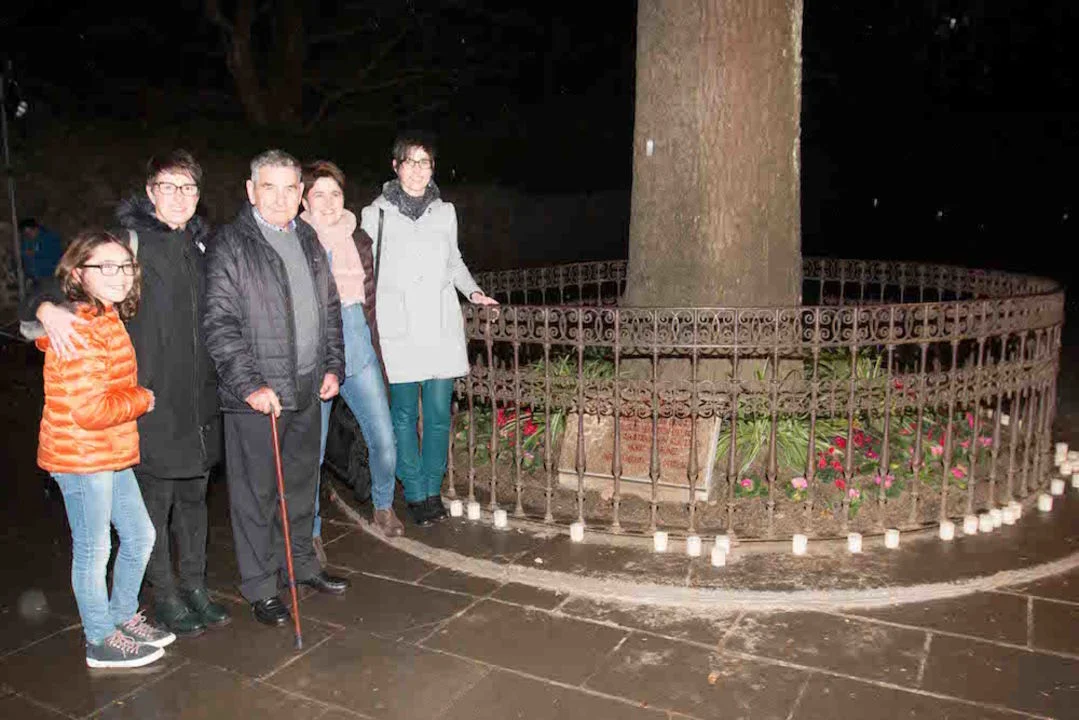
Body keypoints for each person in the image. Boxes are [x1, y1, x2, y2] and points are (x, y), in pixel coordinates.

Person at [22, 151, 229, 638]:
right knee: (152, 510)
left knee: (195, 503)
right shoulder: (127, 241)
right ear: (150, 191)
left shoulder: (203, 246)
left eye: (188, 188)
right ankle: (165, 594)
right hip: (147, 404)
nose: (179, 196)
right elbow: (61, 279)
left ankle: (195, 585)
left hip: (199, 401)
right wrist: (46, 308)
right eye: (168, 186)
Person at [203, 149, 350, 628]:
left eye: (291, 188)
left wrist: (333, 366)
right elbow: (219, 323)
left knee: (302, 485)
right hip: (259, 397)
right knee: (256, 495)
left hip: (307, 387)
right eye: (270, 187)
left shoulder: (307, 237)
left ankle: (300, 565)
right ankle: (261, 585)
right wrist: (249, 384)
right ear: (251, 190)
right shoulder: (231, 243)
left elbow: (329, 309)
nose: (281, 198)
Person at [37, 230, 175, 668]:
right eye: (107, 267)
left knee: (140, 535)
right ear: (79, 273)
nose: (120, 275)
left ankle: (121, 617)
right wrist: (142, 399)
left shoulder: (106, 315)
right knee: (94, 549)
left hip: (108, 451)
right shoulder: (79, 326)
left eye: (126, 266)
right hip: (81, 456)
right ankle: (98, 639)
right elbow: (89, 410)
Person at [359, 133, 498, 526]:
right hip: (399, 328)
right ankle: (415, 491)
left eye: (425, 162)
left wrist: (473, 291)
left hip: (440, 326)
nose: (418, 170)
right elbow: (365, 269)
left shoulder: (445, 212)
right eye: (410, 161)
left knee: (438, 415)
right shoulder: (375, 214)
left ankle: (432, 489)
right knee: (403, 414)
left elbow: (453, 260)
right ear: (396, 166)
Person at [300, 160, 404, 546]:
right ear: (304, 201)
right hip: (316, 359)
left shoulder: (358, 240)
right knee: (312, 451)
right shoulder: (297, 243)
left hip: (358, 349)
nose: (329, 202)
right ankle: (310, 530)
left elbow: (370, 300)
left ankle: (383, 505)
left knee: (384, 439)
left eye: (336, 194)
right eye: (319, 195)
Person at [19, 219, 63, 289]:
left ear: (36, 229)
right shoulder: (27, 242)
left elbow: (54, 255)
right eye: (26, 234)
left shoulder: (50, 238)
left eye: (30, 232)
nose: (29, 236)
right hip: (34, 279)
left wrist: (35, 254)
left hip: (50, 276)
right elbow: (24, 257)